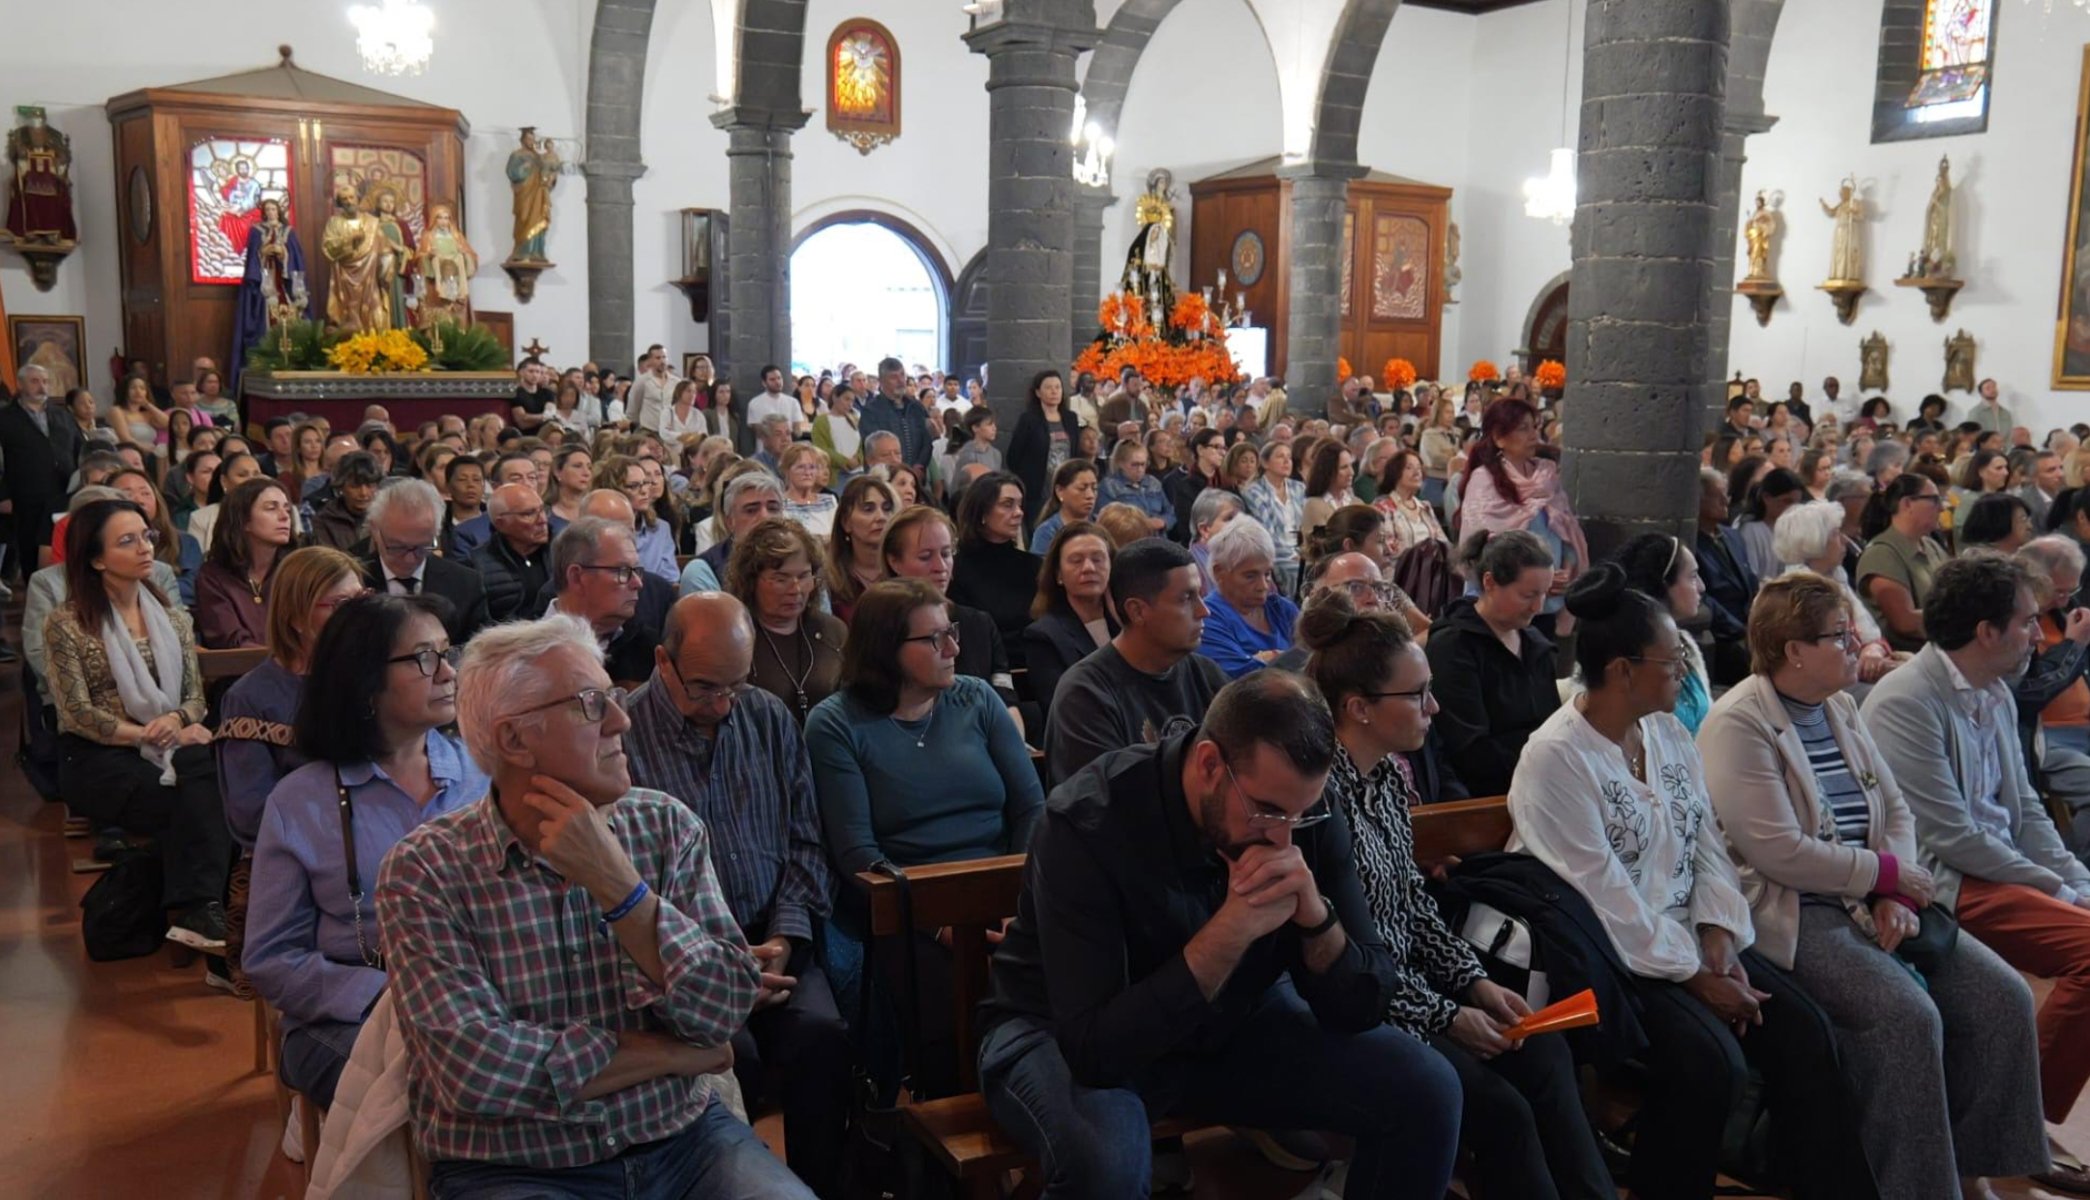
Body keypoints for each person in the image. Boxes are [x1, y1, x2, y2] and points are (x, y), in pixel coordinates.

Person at [976, 670, 1463, 1200]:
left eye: (1298, 817)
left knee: (1426, 1089)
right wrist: (1231, 930)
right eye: (1267, 811)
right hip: (1058, 1028)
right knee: (1106, 1167)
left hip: (1232, 1020)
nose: (1282, 835)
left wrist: (1316, 919)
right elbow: (1097, 1051)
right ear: (1209, 764)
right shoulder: (1090, 820)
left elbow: (1364, 1003)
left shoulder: (1306, 811)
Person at [376, 613, 809, 1198]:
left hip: (679, 1141)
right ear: (514, 739)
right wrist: (675, 1054)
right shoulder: (425, 869)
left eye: (612, 697)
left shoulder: (665, 826)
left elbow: (723, 1013)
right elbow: (475, 1070)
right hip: (516, 1164)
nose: (622, 719)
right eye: (590, 703)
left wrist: (621, 890)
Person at [1509, 565, 1879, 1200]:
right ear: (1623, 670)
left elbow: (1706, 842)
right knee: (1710, 1062)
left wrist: (1718, 937)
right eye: (1672, 658)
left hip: (1687, 942)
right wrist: (1695, 973)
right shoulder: (1557, 758)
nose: (1684, 668)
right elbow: (1603, 899)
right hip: (1609, 957)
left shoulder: (1666, 731)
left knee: (1806, 1033)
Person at [1698, 573, 2055, 1199]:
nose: (1856, 644)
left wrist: (1894, 891)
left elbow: (1895, 809)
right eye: (1839, 636)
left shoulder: (1839, 705)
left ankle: (1977, 1174)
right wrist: (1885, 875)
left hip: (1873, 897)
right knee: (1906, 1017)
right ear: (1793, 651)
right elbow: (1778, 851)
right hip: (1794, 911)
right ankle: (1912, 1190)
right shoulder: (1739, 724)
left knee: (2001, 998)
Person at [1302, 589, 1614, 1200]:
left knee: (1546, 1056)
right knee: (1501, 1109)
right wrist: (1449, 1015)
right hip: (1353, 1006)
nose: (1435, 706)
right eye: (1417, 694)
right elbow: (1352, 961)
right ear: (1359, 707)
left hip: (1410, 989)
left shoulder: (1387, 777)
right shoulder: (1318, 799)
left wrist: (1473, 982)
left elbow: (1413, 905)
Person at [1860, 554, 2090, 1159]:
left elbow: (2024, 812)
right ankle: (2020, 1123)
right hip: (1946, 882)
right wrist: (2058, 890)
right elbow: (1950, 838)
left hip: (1994, 866)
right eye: (2026, 621)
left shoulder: (1995, 691)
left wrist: (2076, 878)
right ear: (1987, 632)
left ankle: (2019, 1121)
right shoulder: (1907, 700)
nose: (2039, 634)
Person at [624, 594, 847, 1199]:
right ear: (662, 663)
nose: (722, 704)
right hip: (683, 959)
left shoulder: (766, 715)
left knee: (822, 1036)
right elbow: (631, 884)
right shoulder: (624, 737)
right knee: (731, 1056)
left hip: (775, 932)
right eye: (704, 688)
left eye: (736, 684)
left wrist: (785, 935)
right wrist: (717, 962)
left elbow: (807, 838)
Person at [245, 591, 485, 1111]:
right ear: (365, 682)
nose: (448, 673)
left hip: (482, 1003)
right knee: (434, 1080)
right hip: (349, 1015)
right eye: (425, 658)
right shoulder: (299, 802)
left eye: (449, 652)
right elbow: (270, 959)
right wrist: (383, 994)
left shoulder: (482, 776)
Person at [804, 580, 1043, 1091]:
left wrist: (1011, 897)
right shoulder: (836, 724)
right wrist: (942, 925)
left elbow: (1031, 805)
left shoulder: (975, 699)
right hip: (911, 908)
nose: (954, 648)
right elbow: (858, 853)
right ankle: (949, 1139)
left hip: (1002, 892)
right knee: (948, 1008)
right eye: (935, 639)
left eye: (951, 632)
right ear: (887, 649)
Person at [45, 500, 229, 961]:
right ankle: (199, 907)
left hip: (168, 743)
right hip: (98, 756)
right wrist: (146, 734)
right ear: (96, 558)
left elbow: (194, 698)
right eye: (127, 541)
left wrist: (175, 720)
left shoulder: (172, 618)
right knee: (190, 796)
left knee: (215, 774)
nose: (145, 547)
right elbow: (76, 713)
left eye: (146, 536)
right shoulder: (66, 624)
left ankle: (197, 911)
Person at [1045, 538, 1226, 784]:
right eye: (1186, 598)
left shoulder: (1206, 674)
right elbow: (1102, 804)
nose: (1204, 611)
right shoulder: (1085, 694)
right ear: (1137, 611)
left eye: (1200, 596)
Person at [1427, 530, 1561, 795]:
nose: (1537, 607)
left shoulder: (1535, 643)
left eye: (1544, 594)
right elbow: (1468, 749)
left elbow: (1554, 724)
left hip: (1542, 782)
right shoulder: (1454, 645)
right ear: (1489, 582)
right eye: (1527, 595)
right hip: (1485, 794)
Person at [883, 505, 1023, 727]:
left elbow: (1006, 702)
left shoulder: (979, 623)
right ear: (894, 562)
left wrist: (1012, 749)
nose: (941, 567)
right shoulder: (882, 626)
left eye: (946, 554)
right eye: (925, 556)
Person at [1458, 399, 1588, 636]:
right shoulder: (1484, 480)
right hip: (1505, 602)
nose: (1533, 435)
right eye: (1523, 428)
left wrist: (1566, 570)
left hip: (1546, 601)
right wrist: (1532, 577)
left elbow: (1566, 529)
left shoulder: (1546, 476)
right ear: (1499, 437)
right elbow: (1483, 545)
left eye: (1535, 427)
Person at [728, 518, 846, 723]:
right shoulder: (734, 636)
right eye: (781, 579)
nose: (796, 590)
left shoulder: (832, 630)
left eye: (803, 576)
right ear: (751, 580)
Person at [357, 478, 489, 645]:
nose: (410, 559)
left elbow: (475, 653)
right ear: (374, 530)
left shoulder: (465, 584)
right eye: (397, 547)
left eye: (422, 547)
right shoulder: (353, 581)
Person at [1610, 533, 1715, 734]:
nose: (1701, 587)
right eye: (1692, 577)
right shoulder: (1628, 654)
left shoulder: (1687, 645)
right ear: (1664, 584)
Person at [1021, 521, 1118, 722]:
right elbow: (1063, 707)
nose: (1089, 568)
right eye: (1076, 560)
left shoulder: (1129, 623)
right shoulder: (1043, 636)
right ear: (1058, 575)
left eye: (1098, 559)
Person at [545, 516, 656, 683]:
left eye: (636, 570)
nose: (638, 583)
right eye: (622, 571)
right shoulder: (527, 654)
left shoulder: (648, 648)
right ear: (576, 577)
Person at [947, 470, 1041, 665]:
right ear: (981, 511)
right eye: (1007, 505)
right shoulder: (955, 569)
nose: (1019, 513)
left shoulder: (1034, 566)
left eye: (1020, 505)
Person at [0, 364, 85, 577]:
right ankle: (36, 596)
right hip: (25, 494)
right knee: (30, 547)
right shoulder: (5, 418)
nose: (42, 387)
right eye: (35, 381)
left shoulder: (62, 414)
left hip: (64, 490)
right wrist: (3, 495)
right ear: (20, 384)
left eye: (45, 381)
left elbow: (79, 449)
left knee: (66, 543)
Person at [195, 477, 297, 649]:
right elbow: (230, 641)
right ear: (244, 520)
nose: (284, 516)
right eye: (271, 508)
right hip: (241, 672)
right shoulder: (213, 576)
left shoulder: (298, 569)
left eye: (287, 509)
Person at [1856, 472, 1949, 653]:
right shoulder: (1881, 554)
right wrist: (1965, 618)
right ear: (1907, 504)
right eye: (1934, 500)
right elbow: (1904, 622)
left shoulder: (1930, 545)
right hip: (1913, 657)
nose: (1942, 508)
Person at [1198, 518, 1301, 679]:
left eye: (1267, 574)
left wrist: (1270, 658)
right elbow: (1244, 679)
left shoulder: (1281, 608)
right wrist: (1289, 658)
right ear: (1219, 572)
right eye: (1250, 576)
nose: (1263, 586)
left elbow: (1315, 659)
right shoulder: (1207, 618)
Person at [680, 469, 784, 595]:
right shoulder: (703, 570)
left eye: (773, 508)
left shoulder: (801, 561)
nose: (765, 517)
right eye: (751, 510)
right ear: (730, 522)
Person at [472, 481, 554, 623]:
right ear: (501, 523)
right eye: (529, 513)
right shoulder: (477, 565)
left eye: (542, 510)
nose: (542, 520)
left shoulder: (563, 552)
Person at [822, 475, 896, 624]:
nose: (881, 517)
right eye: (868, 509)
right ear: (846, 522)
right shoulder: (828, 580)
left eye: (887, 509)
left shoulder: (904, 571)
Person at [1240, 440, 1306, 597]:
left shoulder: (1299, 488)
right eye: (1280, 457)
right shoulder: (1254, 492)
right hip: (1274, 554)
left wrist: (1304, 552)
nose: (1286, 461)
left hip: (1302, 552)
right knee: (1298, 571)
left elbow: (1307, 525)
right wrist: (1293, 555)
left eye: (1289, 457)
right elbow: (1267, 534)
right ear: (1265, 462)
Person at [858, 357, 933, 474]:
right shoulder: (871, 411)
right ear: (882, 381)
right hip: (885, 476)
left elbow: (926, 441)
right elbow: (875, 449)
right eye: (894, 377)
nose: (901, 381)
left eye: (902, 375)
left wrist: (920, 465)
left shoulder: (916, 407)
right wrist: (900, 471)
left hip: (916, 476)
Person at [309, 450, 384, 552]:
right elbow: (328, 563)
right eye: (355, 486)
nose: (363, 493)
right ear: (341, 487)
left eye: (370, 485)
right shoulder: (324, 521)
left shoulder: (388, 516)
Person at [1097, 438, 1172, 538]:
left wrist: (1163, 522)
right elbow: (1107, 521)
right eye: (1134, 465)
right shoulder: (1109, 486)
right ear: (1120, 463)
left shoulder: (1153, 483)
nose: (1140, 469)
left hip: (1159, 539)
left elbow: (1170, 511)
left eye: (1143, 464)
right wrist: (1140, 524)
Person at [1027, 459, 1100, 556]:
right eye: (1082, 488)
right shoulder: (1047, 532)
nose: (1090, 495)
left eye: (1094, 489)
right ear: (1060, 491)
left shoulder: (1101, 523)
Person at [777, 443, 838, 542]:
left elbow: (838, 536)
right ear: (787, 470)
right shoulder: (780, 504)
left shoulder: (829, 501)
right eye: (801, 467)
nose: (808, 472)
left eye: (812, 467)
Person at [1960, 491, 2035, 554]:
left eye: (2028, 520)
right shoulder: (1978, 564)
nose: (2030, 526)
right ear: (2000, 522)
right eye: (2023, 519)